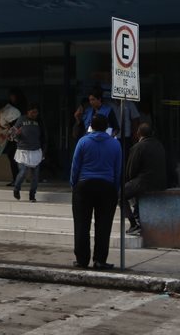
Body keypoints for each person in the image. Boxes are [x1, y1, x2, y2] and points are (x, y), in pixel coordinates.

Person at [69, 113, 121, 270]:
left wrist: (74, 184)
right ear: (107, 127)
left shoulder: (83, 142)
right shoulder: (115, 144)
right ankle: (99, 259)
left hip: (84, 185)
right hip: (107, 186)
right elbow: (118, 169)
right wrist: (116, 188)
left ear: (91, 126)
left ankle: (82, 259)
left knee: (81, 224)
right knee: (104, 226)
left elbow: (75, 166)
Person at [121, 122, 167, 235]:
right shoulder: (159, 145)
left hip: (145, 182)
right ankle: (137, 216)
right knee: (134, 188)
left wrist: (130, 180)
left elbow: (130, 171)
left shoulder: (138, 147)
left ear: (138, 133)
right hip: (161, 182)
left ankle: (133, 224)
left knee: (121, 194)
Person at [11, 102, 45, 202]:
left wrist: (44, 150)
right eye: (32, 112)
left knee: (35, 176)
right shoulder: (21, 119)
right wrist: (17, 134)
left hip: (36, 151)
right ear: (28, 112)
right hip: (23, 150)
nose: (34, 114)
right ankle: (16, 188)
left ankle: (32, 195)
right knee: (23, 172)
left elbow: (44, 136)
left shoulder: (39, 121)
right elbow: (12, 135)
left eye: (36, 112)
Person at [0, 89, 23, 185]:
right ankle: (16, 179)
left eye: (13, 96)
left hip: (18, 138)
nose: (12, 98)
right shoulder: (9, 108)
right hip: (11, 137)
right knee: (12, 156)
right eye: (11, 96)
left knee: (16, 157)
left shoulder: (18, 109)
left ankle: (18, 179)